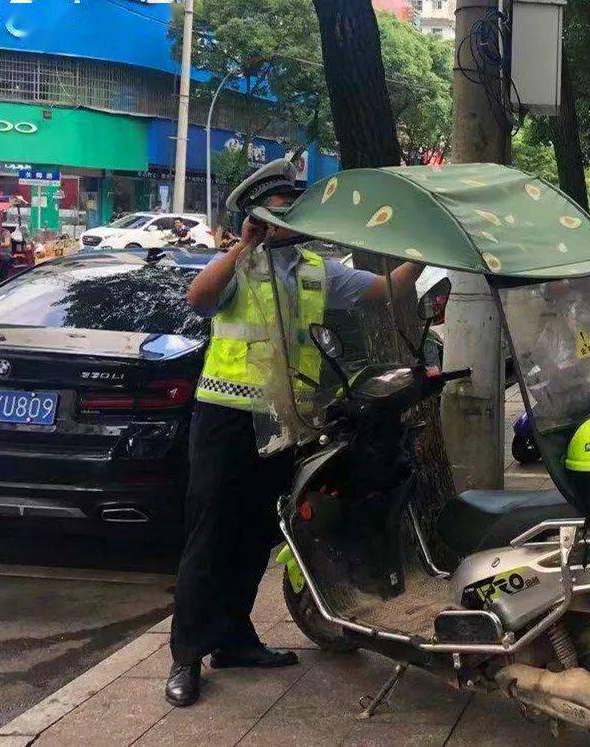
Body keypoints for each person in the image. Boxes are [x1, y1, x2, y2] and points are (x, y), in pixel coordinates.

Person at [165, 159, 424, 708]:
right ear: (255, 216)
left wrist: (422, 247)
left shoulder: (316, 270)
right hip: (225, 420)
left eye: (293, 211)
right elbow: (198, 298)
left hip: (283, 425)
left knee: (259, 533)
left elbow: (386, 291)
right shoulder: (238, 266)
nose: (288, 221)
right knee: (210, 535)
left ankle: (234, 640)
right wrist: (243, 248)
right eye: (276, 211)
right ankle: (185, 656)